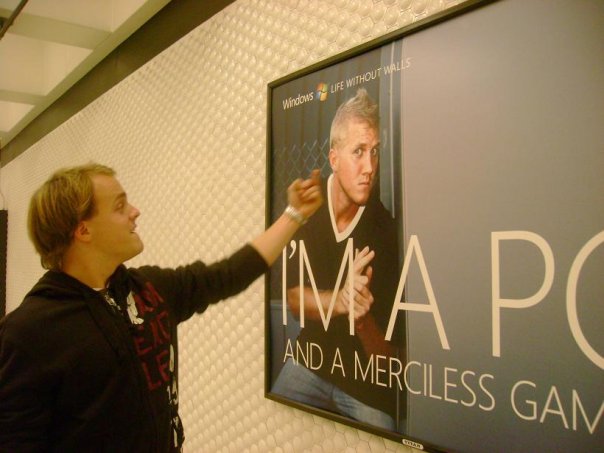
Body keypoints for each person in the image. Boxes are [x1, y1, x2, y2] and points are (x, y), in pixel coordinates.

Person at [0, 163, 322, 452]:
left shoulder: (149, 290)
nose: (135, 211)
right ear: (83, 230)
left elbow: (228, 275)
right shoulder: (29, 332)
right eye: (119, 206)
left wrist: (294, 214)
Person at [271, 88, 404, 430]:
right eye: (358, 152)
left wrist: (362, 320)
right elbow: (294, 301)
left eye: (375, 152)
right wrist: (341, 300)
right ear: (333, 158)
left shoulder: (385, 231)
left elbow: (387, 360)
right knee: (271, 422)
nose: (370, 167)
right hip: (311, 360)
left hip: (364, 383)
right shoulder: (307, 207)